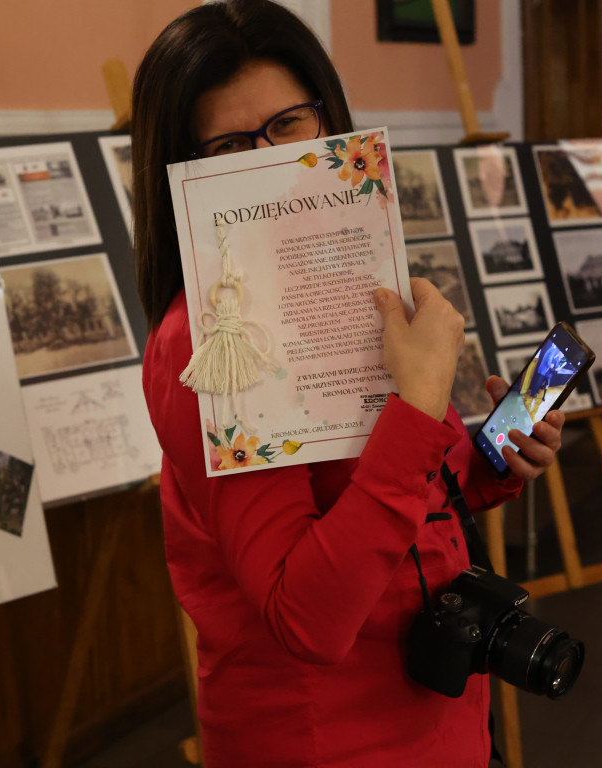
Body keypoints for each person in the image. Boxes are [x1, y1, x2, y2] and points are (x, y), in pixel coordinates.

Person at [132, 2, 565, 766]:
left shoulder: (343, 279)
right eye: (230, 145)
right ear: (186, 172)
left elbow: (383, 489)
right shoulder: (209, 346)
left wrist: (489, 460)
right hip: (322, 736)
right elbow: (307, 616)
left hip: (442, 711)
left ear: (328, 120)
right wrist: (419, 404)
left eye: (288, 125)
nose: (269, 161)